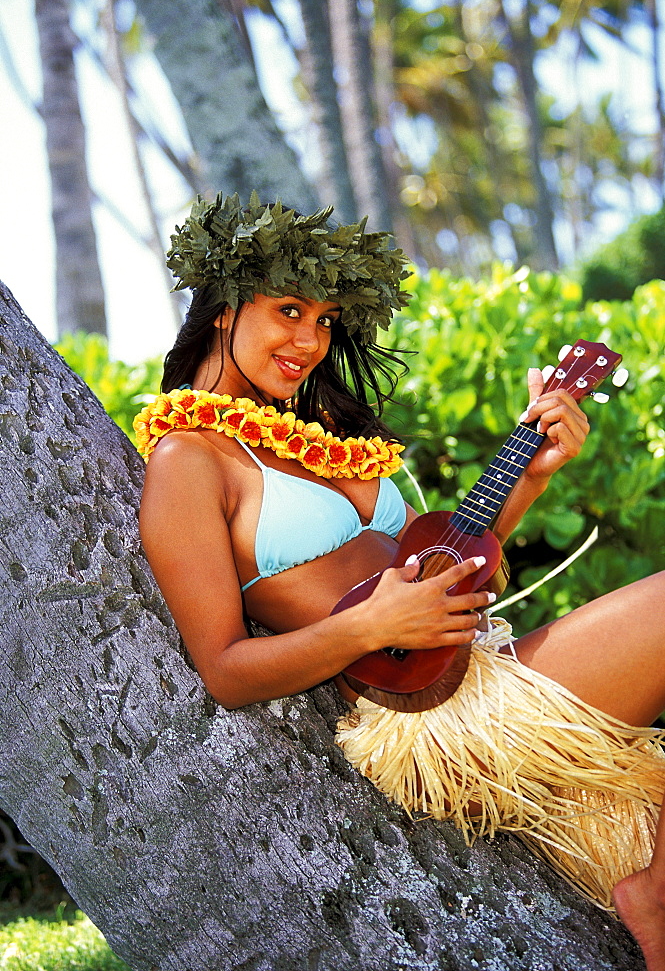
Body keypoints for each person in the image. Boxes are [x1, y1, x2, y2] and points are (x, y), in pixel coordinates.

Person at [135, 192, 665, 970]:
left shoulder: (319, 441)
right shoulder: (190, 461)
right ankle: (649, 896)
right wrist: (367, 628)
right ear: (222, 308)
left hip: (483, 668)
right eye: (288, 310)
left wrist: (534, 472)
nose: (309, 340)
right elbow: (222, 669)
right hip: (425, 722)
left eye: (323, 321)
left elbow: (443, 567)